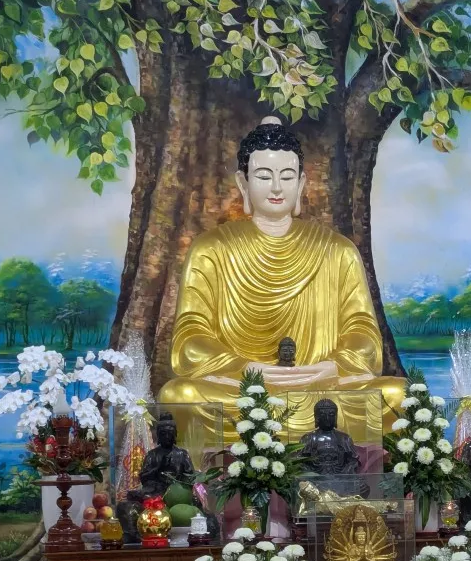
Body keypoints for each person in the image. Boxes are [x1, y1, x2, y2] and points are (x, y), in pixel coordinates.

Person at [159, 117, 405, 439]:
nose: (276, 187)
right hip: (242, 390)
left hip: (320, 388)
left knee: (399, 396)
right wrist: (245, 368)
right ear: (243, 183)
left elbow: (364, 336)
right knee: (181, 397)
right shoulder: (211, 249)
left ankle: (275, 435)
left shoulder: (338, 250)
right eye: (264, 176)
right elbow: (190, 339)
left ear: (301, 184)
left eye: (287, 176)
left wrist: (331, 367)